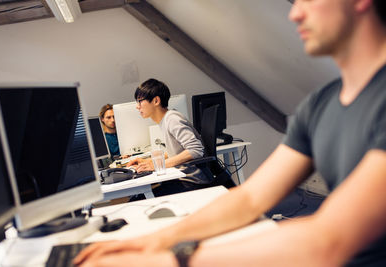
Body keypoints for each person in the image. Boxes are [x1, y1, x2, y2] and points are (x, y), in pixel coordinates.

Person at [75, 0, 386, 266]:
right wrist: (154, 241)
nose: (294, 13)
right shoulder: (320, 104)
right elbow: (251, 197)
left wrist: (170, 257)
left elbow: (329, 240)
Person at [128, 78, 213, 196]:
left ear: (156, 100)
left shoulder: (172, 119)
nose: (137, 107)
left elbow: (196, 150)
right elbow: (177, 151)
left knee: (139, 200)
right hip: (182, 179)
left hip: (192, 182)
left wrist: (157, 165)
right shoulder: (165, 120)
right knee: (140, 197)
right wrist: (149, 161)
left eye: (140, 101)